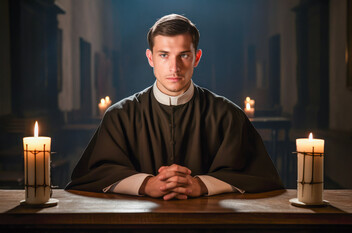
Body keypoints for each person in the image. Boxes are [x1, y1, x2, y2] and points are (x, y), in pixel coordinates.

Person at [65, 14, 284, 200]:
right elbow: (92, 174)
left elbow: (260, 176)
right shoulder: (120, 115)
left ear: (197, 58)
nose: (174, 67)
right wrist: (146, 184)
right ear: (150, 58)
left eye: (184, 55)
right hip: (135, 231)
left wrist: (201, 185)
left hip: (210, 229)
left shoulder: (227, 115)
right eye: (164, 55)